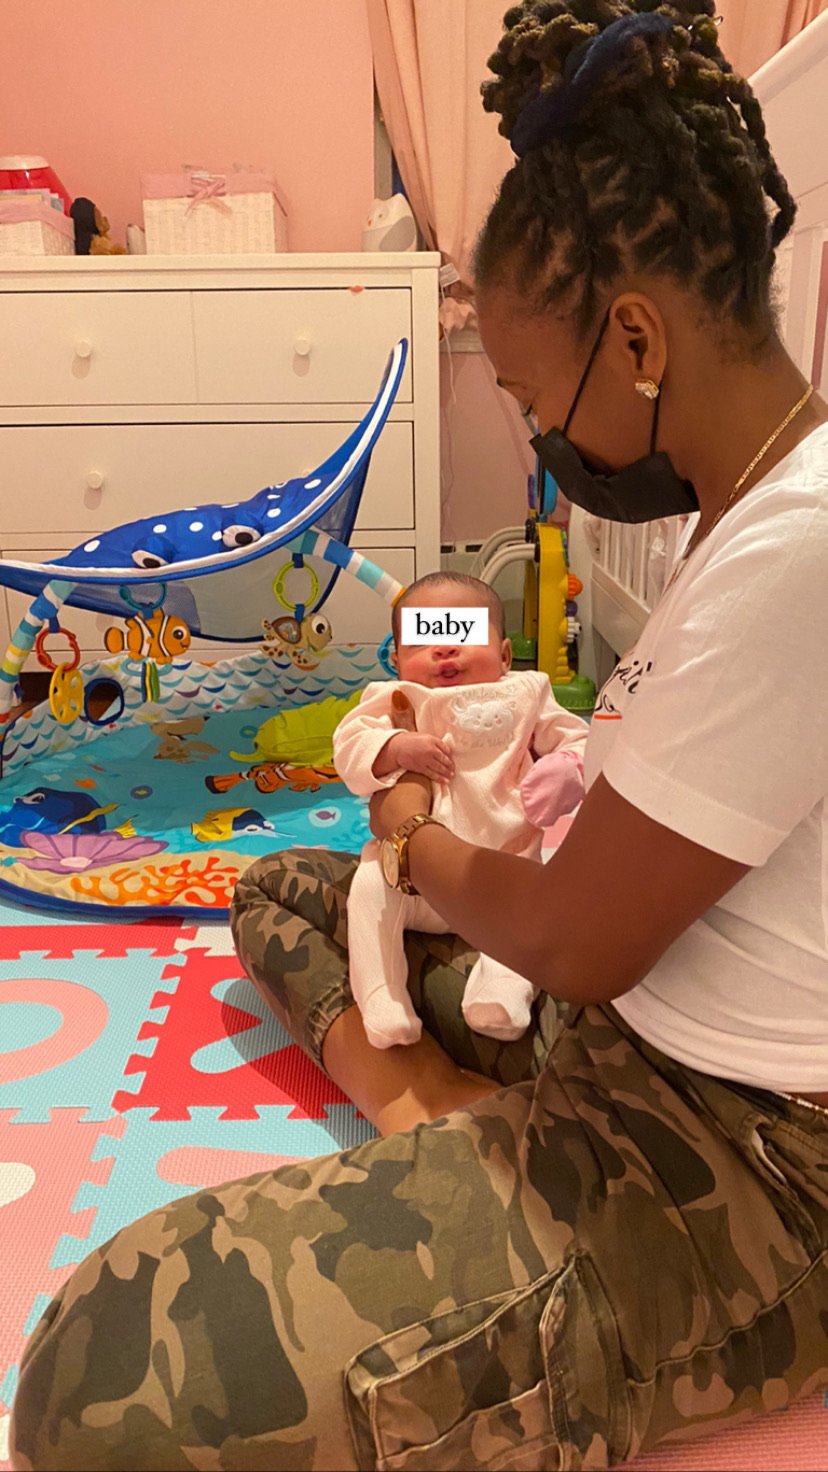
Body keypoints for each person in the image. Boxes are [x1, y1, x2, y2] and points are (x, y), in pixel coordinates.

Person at [10, 3, 828, 1469]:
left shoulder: (803, 549)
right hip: (619, 1037)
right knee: (278, 893)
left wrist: (410, 827)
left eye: (529, 400)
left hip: (747, 1165)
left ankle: (473, 1150)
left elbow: (575, 940)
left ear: (635, 340)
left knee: (107, 1373)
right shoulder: (749, 523)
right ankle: (435, 1106)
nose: (533, 439)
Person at [334, 571, 587, 1048]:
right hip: (411, 877)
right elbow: (348, 750)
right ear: (396, 659)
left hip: (501, 870)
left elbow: (579, 738)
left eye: (462, 633)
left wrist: (568, 766)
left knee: (530, 914)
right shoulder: (394, 699)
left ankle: (502, 991)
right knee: (367, 889)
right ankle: (382, 996)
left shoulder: (528, 691)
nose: (444, 650)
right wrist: (396, 746)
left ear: (505, 655)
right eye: (423, 639)